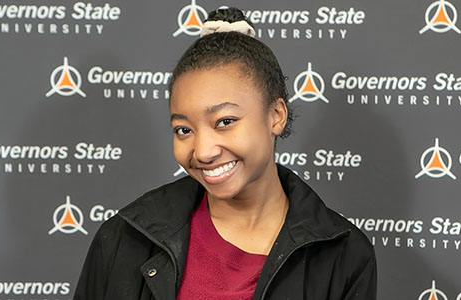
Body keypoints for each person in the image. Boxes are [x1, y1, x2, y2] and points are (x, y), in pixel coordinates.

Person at [74, 7, 376, 300]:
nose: (203, 152)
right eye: (183, 130)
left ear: (276, 115)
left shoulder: (343, 255)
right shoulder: (125, 237)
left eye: (225, 122)